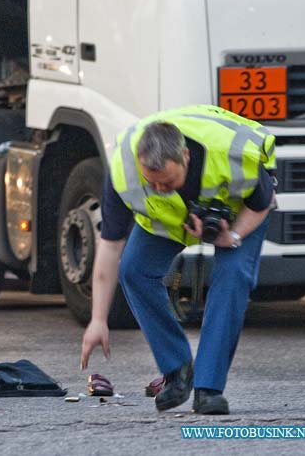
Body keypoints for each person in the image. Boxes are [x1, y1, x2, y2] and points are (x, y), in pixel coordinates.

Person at [80, 104, 276, 415]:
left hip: (240, 215)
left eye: (168, 183)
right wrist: (98, 320)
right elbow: (110, 246)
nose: (159, 189)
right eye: (152, 183)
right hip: (168, 222)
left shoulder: (234, 157)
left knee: (232, 275)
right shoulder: (122, 171)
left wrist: (233, 237)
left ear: (185, 157)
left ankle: (209, 388)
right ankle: (177, 369)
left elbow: (264, 202)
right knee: (134, 270)